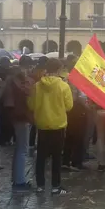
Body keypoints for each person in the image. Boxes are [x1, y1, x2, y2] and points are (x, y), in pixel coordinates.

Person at [28, 58, 73, 195]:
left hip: (42, 125)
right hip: (58, 124)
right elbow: (69, 106)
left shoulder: (37, 86)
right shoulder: (64, 86)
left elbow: (31, 105)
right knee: (57, 157)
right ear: (59, 70)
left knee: (41, 156)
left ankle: (40, 185)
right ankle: (55, 186)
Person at [5, 56, 35, 190]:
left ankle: (16, 178)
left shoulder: (11, 78)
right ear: (27, 66)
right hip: (22, 116)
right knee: (22, 149)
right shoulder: (23, 80)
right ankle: (19, 181)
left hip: (13, 115)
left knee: (19, 148)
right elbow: (28, 97)